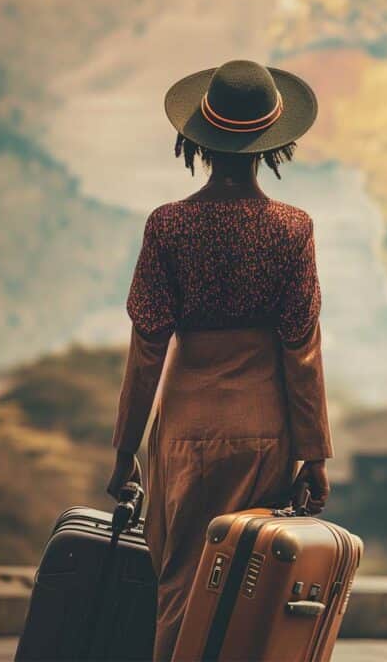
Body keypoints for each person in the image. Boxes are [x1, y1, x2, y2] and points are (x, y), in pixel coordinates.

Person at [106, 59, 333, 661]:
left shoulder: (169, 226)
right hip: (265, 431)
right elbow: (301, 351)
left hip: (184, 428)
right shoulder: (292, 229)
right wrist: (313, 453)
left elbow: (146, 350)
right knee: (250, 587)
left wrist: (125, 450)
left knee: (179, 582)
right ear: (273, 146)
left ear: (195, 142)